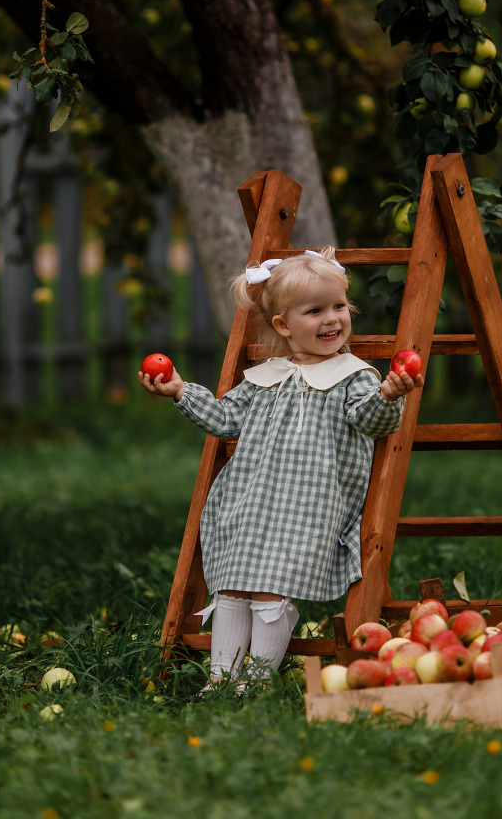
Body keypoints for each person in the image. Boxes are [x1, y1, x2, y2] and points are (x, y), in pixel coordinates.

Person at [138, 247, 424, 690]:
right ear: (283, 325)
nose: (332, 319)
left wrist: (390, 394)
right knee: (232, 585)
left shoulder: (355, 376)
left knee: (271, 586)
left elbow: (373, 423)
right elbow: (224, 419)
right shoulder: (264, 377)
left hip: (308, 508)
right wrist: (180, 391)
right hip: (249, 502)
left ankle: (255, 681)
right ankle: (222, 681)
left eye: (339, 306)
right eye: (316, 310)